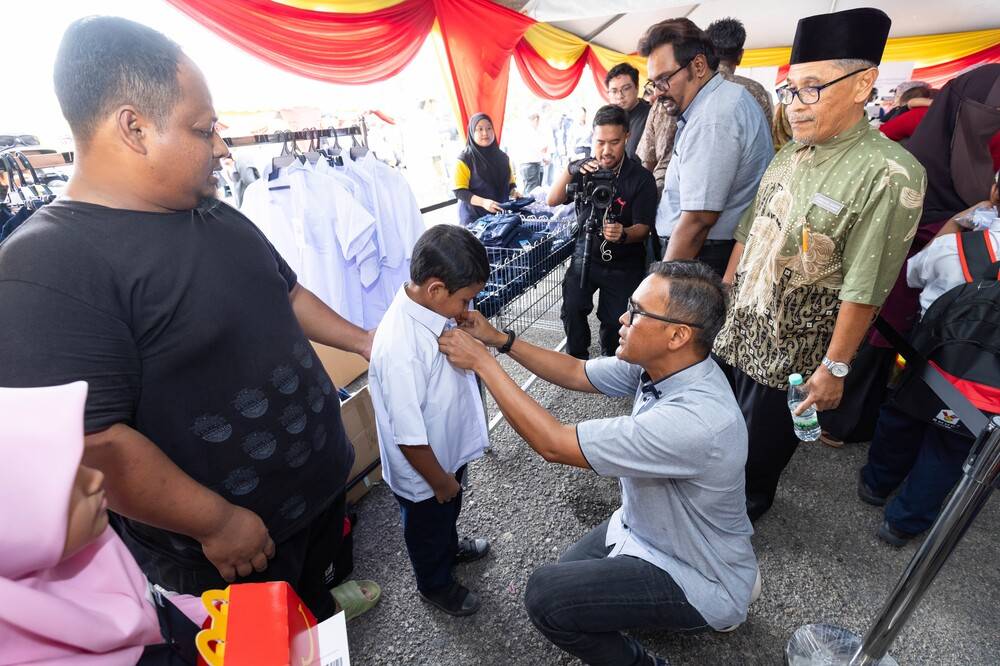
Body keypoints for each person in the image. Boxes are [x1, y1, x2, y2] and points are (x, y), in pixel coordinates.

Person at [0, 17, 377, 621]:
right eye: (205, 131)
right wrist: (218, 520)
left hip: (319, 494)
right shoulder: (47, 268)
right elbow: (94, 441)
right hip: (233, 549)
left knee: (313, 627)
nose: (223, 149)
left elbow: (285, 294)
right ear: (134, 127)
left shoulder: (215, 215)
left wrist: (363, 340)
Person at [438, 260, 757, 666]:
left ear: (677, 335)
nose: (623, 317)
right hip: (644, 529)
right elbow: (576, 371)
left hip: (696, 568)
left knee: (546, 596)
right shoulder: (669, 366)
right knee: (567, 578)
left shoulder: (695, 423)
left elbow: (553, 443)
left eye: (638, 312)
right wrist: (499, 340)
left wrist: (484, 363)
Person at [712, 7, 927, 522]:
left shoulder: (891, 173)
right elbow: (750, 229)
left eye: (812, 88)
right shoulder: (790, 154)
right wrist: (721, 296)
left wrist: (833, 369)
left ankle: (737, 521)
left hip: (796, 349)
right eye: (790, 90)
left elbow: (866, 284)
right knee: (717, 428)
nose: (795, 106)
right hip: (740, 325)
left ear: (863, 84)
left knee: (756, 458)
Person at [821, 64, 1000, 447]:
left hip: (938, 252)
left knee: (888, 342)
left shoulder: (934, 130)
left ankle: (857, 423)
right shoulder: (931, 149)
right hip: (925, 252)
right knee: (882, 337)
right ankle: (848, 422)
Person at [0, 381, 207, 666]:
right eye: (67, 481)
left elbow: (154, 609)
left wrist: (214, 613)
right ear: (17, 526)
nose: (96, 477)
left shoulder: (91, 550)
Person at [859, 169, 1000, 547]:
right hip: (989, 389)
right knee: (950, 450)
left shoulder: (957, 247)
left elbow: (913, 276)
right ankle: (903, 523)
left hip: (929, 365)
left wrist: (955, 223)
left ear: (994, 191)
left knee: (900, 420)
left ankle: (876, 483)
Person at [368, 225, 492, 617]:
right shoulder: (400, 347)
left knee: (447, 514)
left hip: (445, 454)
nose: (468, 309)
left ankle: (448, 547)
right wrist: (439, 480)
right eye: (465, 300)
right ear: (436, 290)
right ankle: (434, 584)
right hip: (425, 470)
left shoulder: (432, 311)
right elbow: (408, 437)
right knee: (426, 527)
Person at [641, 18, 773, 276]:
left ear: (698, 66)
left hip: (704, 255)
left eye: (664, 80)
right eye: (654, 83)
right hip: (703, 251)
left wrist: (660, 283)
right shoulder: (719, 100)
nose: (657, 93)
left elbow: (698, 221)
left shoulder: (713, 119)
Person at [548, 104, 657, 359]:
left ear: (627, 136)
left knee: (614, 320)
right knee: (573, 308)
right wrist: (571, 168)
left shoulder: (641, 179)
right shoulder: (585, 170)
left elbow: (644, 229)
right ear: (592, 137)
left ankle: (609, 362)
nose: (606, 150)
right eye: (599, 142)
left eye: (614, 142)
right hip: (585, 251)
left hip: (624, 262)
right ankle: (576, 360)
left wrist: (623, 233)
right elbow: (553, 200)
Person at [453, 112, 518, 226]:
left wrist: (514, 192)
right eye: (480, 129)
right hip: (474, 219)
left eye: (489, 128)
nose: (485, 133)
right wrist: (483, 202)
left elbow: (510, 184)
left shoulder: (503, 157)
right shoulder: (464, 159)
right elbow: (459, 191)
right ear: (472, 132)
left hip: (500, 216)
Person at [705, 17, 774, 123]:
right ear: (740, 56)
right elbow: (766, 135)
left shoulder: (693, 87)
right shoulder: (755, 91)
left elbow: (671, 135)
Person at [605, 62, 651, 160]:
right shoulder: (607, 118)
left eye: (625, 89)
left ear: (637, 88)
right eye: (614, 91)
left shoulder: (651, 116)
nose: (619, 96)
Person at [513, 112, 550, 192]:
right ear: (536, 120)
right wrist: (543, 153)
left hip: (528, 164)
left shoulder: (526, 130)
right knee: (532, 192)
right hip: (531, 165)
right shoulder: (530, 131)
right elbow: (538, 148)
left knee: (529, 190)